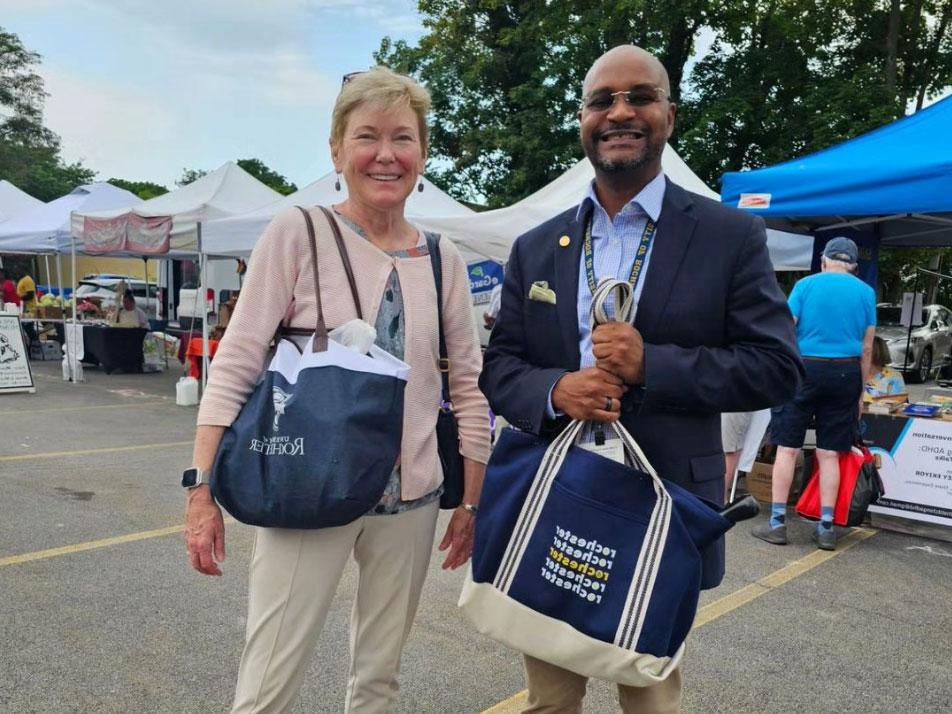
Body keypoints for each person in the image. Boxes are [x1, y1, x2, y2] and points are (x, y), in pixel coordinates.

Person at [479, 45, 802, 714]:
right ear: (583, 120)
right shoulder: (537, 246)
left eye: (639, 97)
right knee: (548, 699)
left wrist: (652, 364)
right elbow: (500, 366)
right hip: (557, 495)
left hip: (664, 503)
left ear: (668, 116)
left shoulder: (728, 234)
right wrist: (553, 391)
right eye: (603, 100)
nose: (620, 112)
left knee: (650, 698)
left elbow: (775, 368)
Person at [184, 67, 491, 714]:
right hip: (304, 484)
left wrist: (470, 502)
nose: (386, 155)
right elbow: (237, 359)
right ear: (336, 149)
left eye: (402, 138)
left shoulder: (445, 259)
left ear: (422, 154)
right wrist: (201, 486)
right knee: (268, 681)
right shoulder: (298, 232)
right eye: (367, 137)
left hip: (410, 499)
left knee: (378, 681)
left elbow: (467, 383)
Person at [753, 236, 875, 551]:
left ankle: (777, 524)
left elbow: (785, 328)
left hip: (804, 370)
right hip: (846, 372)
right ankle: (825, 529)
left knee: (787, 449)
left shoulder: (806, 286)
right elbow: (866, 346)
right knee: (830, 453)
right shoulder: (865, 293)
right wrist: (860, 392)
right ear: (854, 266)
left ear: (823, 260)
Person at [864, 335, 906, 401]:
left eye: (865, 351)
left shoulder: (893, 376)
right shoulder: (853, 373)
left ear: (876, 353)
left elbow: (897, 403)